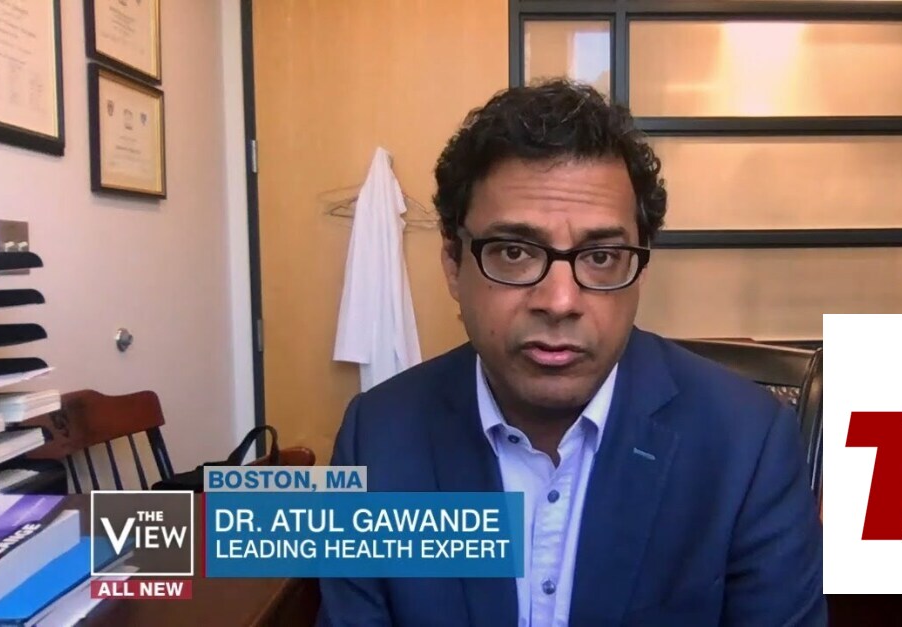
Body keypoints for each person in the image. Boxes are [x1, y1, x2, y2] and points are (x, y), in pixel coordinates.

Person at [318, 79, 825, 627]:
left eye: (601, 257)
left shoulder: (748, 444)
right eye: (515, 252)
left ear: (640, 271)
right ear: (452, 265)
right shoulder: (379, 436)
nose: (560, 302)